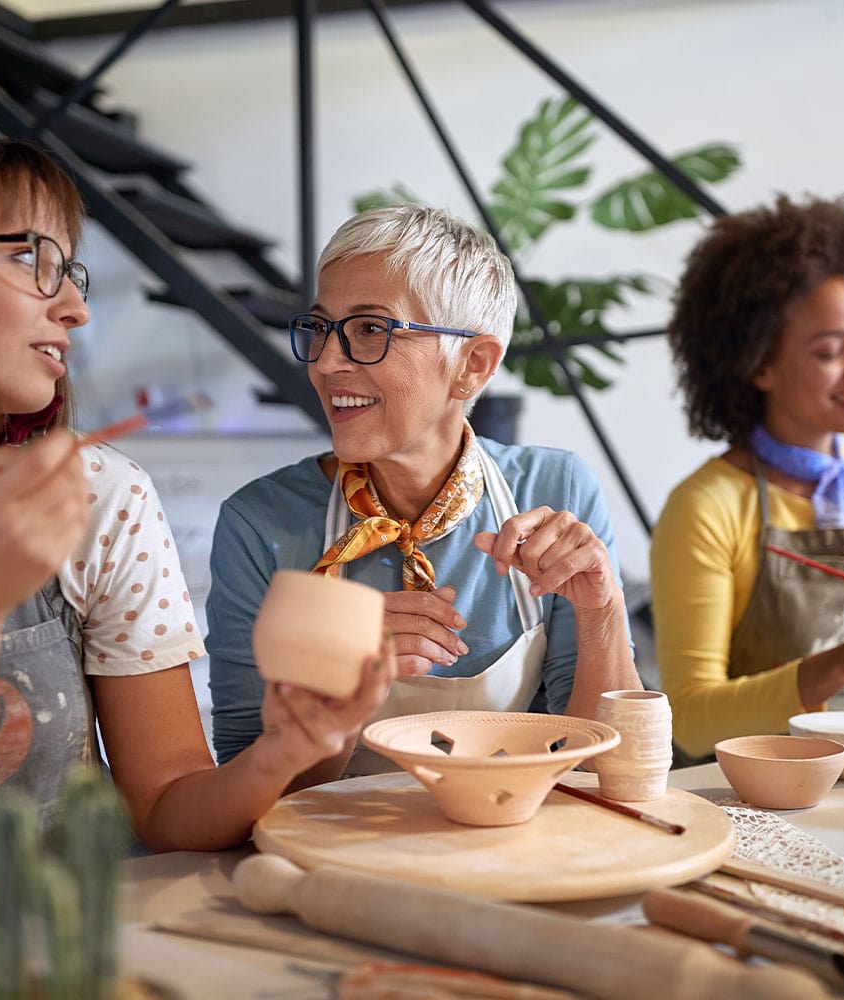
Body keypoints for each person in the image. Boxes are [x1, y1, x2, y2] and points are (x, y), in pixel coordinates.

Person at [0, 125, 393, 866]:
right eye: (28, 257)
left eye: (73, 271)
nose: (74, 308)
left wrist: (283, 755)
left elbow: (167, 805)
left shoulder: (100, 499)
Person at [207, 204, 640, 780]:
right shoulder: (260, 524)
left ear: (473, 364)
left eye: (370, 330)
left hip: (516, 843)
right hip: (334, 856)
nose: (327, 362)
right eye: (321, 328)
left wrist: (603, 611)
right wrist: (337, 681)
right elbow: (241, 784)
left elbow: (602, 767)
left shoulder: (553, 491)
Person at [650, 194, 844, 762]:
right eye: (830, 352)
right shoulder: (707, 507)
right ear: (758, 364)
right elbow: (688, 721)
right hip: (758, 803)